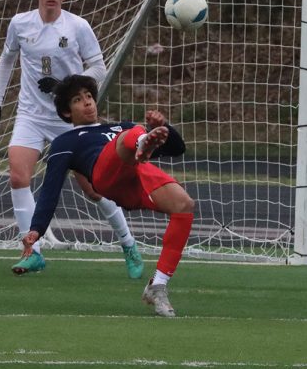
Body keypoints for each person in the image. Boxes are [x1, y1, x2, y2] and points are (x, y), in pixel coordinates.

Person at [0, 0, 144, 279]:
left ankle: (128, 243)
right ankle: (33, 251)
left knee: (95, 187)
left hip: (70, 121)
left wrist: (66, 85)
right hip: (31, 115)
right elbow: (5, 62)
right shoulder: (20, 24)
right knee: (18, 175)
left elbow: (98, 68)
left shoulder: (77, 27)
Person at [19, 74, 193, 317]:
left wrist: (164, 126)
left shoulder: (118, 125)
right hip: (106, 178)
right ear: (67, 112)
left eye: (89, 96)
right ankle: (143, 143)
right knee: (129, 136)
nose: (88, 102)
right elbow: (50, 188)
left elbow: (178, 149)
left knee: (184, 205)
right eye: (78, 100)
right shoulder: (65, 141)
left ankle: (157, 285)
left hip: (137, 176)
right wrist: (36, 229)